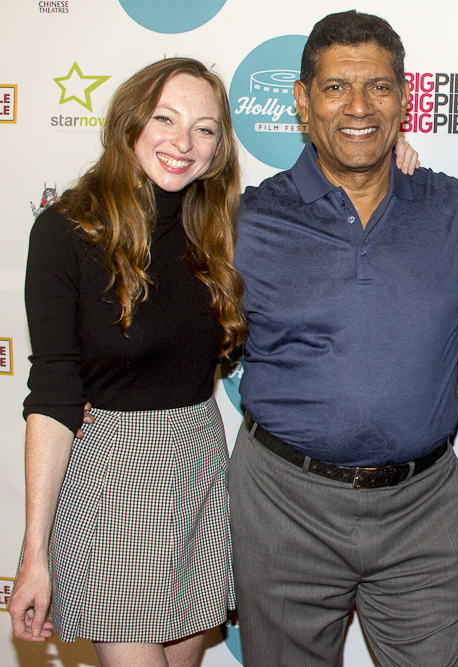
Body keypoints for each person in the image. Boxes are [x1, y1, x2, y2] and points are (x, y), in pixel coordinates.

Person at [229, 10, 458, 667]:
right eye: (337, 86)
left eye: (378, 86)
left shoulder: (452, 208)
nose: (359, 106)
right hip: (284, 508)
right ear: (302, 100)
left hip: (423, 511)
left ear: (403, 98)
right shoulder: (250, 219)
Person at [9, 58, 245, 667]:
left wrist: (395, 157)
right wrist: (34, 551)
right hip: (113, 475)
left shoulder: (219, 230)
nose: (182, 142)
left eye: (204, 128)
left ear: (219, 149)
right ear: (129, 122)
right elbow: (54, 390)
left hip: (198, 462)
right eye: (165, 119)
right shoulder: (67, 231)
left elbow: (328, 187)